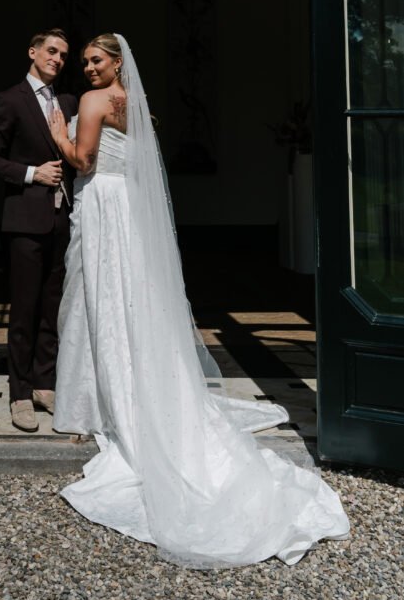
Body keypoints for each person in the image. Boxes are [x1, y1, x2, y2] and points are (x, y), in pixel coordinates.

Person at [48, 33, 349, 569]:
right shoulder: (134, 104)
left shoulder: (94, 102)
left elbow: (86, 161)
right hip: (127, 212)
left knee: (102, 299)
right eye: (86, 62)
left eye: (96, 61)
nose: (88, 69)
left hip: (102, 207)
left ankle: (105, 401)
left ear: (116, 62)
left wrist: (57, 137)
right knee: (127, 298)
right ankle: (135, 385)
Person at [0, 28, 77, 432]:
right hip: (24, 219)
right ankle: (19, 393)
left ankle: (43, 383)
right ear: (32, 52)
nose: (57, 59)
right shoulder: (9, 100)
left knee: (53, 307)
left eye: (63, 55)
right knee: (24, 309)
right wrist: (34, 173)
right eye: (51, 51)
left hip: (62, 218)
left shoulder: (68, 101)